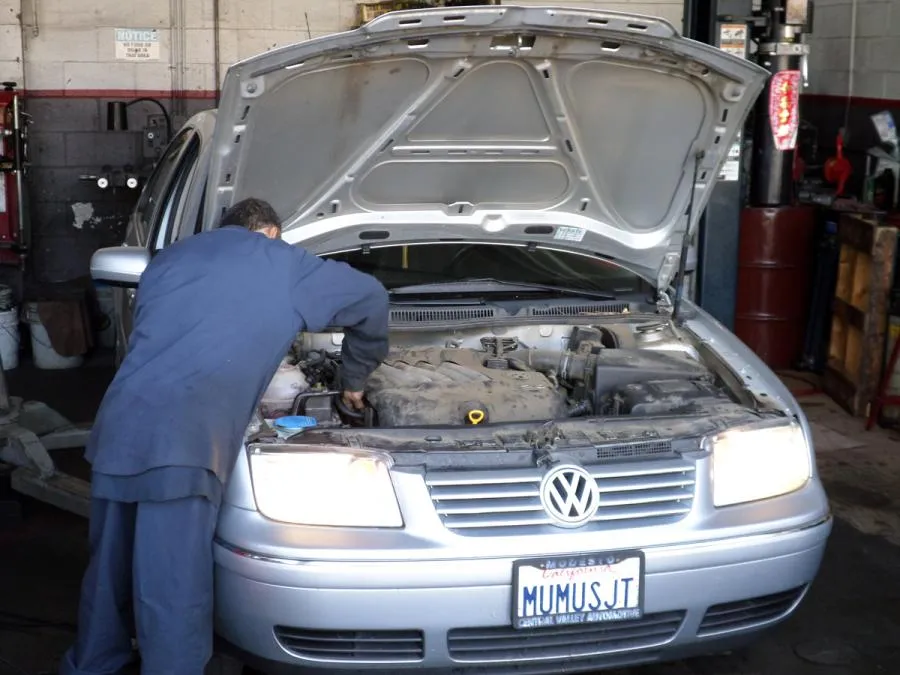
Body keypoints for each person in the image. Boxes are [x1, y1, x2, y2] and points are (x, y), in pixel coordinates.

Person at [60, 198, 390, 675]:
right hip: (185, 441)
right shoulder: (284, 262)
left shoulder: (170, 259)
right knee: (171, 584)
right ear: (271, 233)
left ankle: (92, 664)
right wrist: (354, 379)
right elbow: (373, 298)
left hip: (118, 427)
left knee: (108, 571)